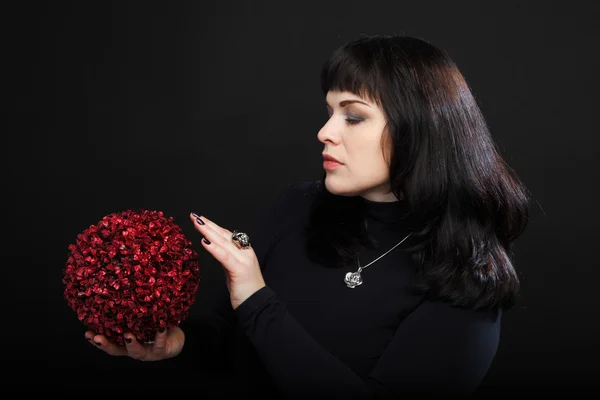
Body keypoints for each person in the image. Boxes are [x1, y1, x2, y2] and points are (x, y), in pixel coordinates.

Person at [83, 34, 531, 397]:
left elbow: (258, 317)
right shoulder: (298, 206)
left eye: (353, 117)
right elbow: (230, 338)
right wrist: (176, 344)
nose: (324, 132)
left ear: (421, 130)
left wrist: (257, 299)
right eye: (329, 112)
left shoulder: (466, 278)